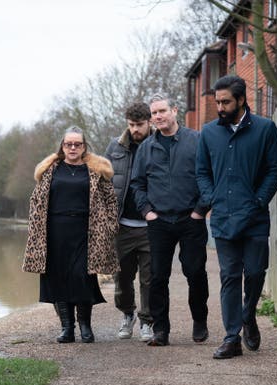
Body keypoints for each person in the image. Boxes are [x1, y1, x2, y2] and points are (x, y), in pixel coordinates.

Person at [195, 75, 277, 359]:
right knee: (229, 276)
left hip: (255, 217)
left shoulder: (265, 129)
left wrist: (259, 200)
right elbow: (202, 172)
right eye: (217, 101)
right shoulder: (208, 133)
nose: (220, 107)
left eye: (226, 102)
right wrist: (211, 198)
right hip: (223, 217)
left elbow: (276, 169)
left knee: (256, 272)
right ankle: (232, 337)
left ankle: (248, 315)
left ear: (242, 100)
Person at [23, 126, 119, 344]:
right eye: (69, 144)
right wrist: (35, 228)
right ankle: (67, 328)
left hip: (87, 231)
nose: (73, 147)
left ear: (84, 146)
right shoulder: (50, 170)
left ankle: (85, 326)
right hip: (55, 231)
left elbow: (111, 201)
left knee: (82, 277)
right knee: (58, 278)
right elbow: (36, 201)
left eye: (77, 144)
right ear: (62, 146)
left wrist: (111, 226)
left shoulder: (95, 170)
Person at [130, 93, 210, 347]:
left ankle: (200, 321)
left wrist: (200, 210)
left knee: (195, 272)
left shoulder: (196, 141)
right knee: (157, 276)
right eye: (154, 113)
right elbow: (137, 184)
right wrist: (147, 213)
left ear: (175, 110)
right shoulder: (146, 148)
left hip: (191, 219)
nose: (158, 116)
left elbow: (209, 177)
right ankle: (160, 330)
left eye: (162, 111)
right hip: (159, 222)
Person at [105, 102, 154, 342]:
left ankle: (147, 321)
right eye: (132, 125)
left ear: (149, 122)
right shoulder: (115, 147)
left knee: (149, 278)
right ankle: (128, 314)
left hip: (150, 225)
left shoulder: (158, 144)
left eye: (140, 125)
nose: (135, 129)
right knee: (122, 278)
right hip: (121, 226)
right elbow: (103, 181)